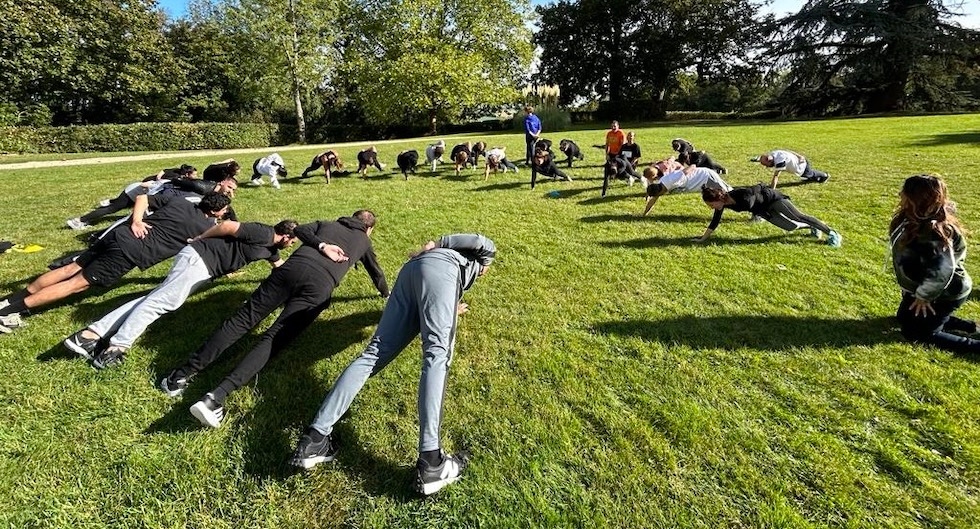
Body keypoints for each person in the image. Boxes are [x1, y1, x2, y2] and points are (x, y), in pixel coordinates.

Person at [289, 233, 496, 496]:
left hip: (411, 272)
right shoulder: (480, 256)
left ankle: (314, 439)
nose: (482, 275)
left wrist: (446, 305)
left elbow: (433, 293)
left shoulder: (447, 262)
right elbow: (481, 241)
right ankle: (432, 462)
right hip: (439, 270)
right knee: (436, 356)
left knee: (372, 354)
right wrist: (442, 242)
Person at [158, 211, 390, 428]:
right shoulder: (365, 241)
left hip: (290, 269)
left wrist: (321, 244)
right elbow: (375, 270)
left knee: (242, 319)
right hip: (319, 286)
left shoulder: (326, 224)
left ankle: (179, 376)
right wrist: (385, 292)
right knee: (273, 338)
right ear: (368, 229)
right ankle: (215, 398)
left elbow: (299, 230)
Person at [63, 220, 299, 368]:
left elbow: (281, 267)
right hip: (199, 260)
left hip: (203, 267)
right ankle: (117, 346)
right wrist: (200, 237)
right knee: (161, 303)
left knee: (155, 299)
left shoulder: (270, 249)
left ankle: (90, 335)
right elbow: (227, 225)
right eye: (293, 242)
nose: (292, 245)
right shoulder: (263, 232)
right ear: (286, 236)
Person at [0, 193, 231, 332]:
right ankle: (9, 312)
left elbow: (142, 197)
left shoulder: (180, 202)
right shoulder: (206, 228)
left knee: (71, 268)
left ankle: (10, 299)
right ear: (215, 210)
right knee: (76, 284)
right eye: (224, 211)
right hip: (128, 253)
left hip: (118, 235)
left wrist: (136, 221)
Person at [890, 174, 980, 354]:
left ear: (918, 199)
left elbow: (941, 272)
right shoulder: (911, 219)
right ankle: (971, 327)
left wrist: (924, 296)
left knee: (917, 334)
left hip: (944, 293)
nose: (900, 194)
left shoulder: (935, 232)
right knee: (903, 317)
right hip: (921, 288)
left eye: (905, 192)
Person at [66, 175, 238, 230]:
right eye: (230, 187)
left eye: (233, 190)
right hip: (144, 190)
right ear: (223, 182)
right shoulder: (201, 187)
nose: (231, 191)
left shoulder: (212, 193)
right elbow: (175, 181)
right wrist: (155, 187)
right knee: (115, 209)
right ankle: (79, 221)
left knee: (126, 213)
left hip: (152, 192)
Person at [696, 184, 842, 246]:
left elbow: (758, 187)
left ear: (718, 199)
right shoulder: (722, 206)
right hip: (763, 211)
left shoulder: (740, 194)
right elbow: (714, 222)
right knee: (790, 226)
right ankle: (813, 226)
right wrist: (703, 239)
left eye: (711, 204)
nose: (711, 208)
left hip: (773, 199)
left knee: (797, 217)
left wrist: (763, 197)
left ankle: (832, 233)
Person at [641, 160, 731, 216]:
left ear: (659, 192)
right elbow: (653, 200)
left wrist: (693, 165)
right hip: (701, 185)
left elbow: (692, 167)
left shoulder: (671, 179)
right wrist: (644, 214)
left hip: (706, 177)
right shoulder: (660, 185)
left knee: (728, 193)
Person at [752, 149, 830, 188]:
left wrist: (772, 189)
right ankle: (813, 178)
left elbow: (776, 176)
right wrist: (800, 156)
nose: (767, 167)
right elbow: (787, 150)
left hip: (801, 167)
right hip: (799, 161)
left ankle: (825, 175)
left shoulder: (780, 162)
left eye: (767, 165)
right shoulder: (774, 153)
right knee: (808, 176)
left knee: (810, 174)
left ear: (770, 161)